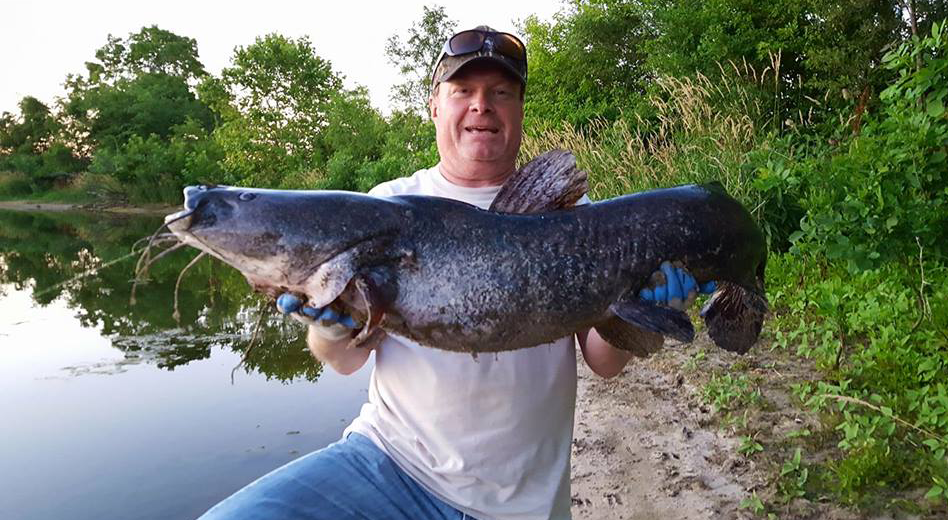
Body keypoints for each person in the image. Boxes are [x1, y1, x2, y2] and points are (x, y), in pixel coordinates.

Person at [200, 26, 712, 520]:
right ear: (434, 105)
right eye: (462, 89)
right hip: (388, 466)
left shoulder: (572, 220)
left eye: (501, 92)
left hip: (521, 505)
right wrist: (331, 326)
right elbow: (342, 362)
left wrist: (648, 313)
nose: (480, 105)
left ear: (519, 110)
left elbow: (604, 363)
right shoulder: (388, 204)